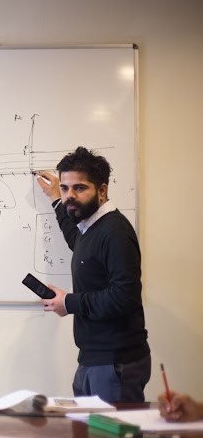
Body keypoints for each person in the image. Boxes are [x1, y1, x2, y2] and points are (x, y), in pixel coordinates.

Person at [35, 146, 151, 403]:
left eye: (79, 188)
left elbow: (125, 297)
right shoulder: (90, 227)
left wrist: (69, 302)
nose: (70, 196)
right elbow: (75, 239)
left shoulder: (115, 232)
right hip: (94, 359)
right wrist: (55, 199)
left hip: (114, 362)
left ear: (102, 190)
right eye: (65, 188)